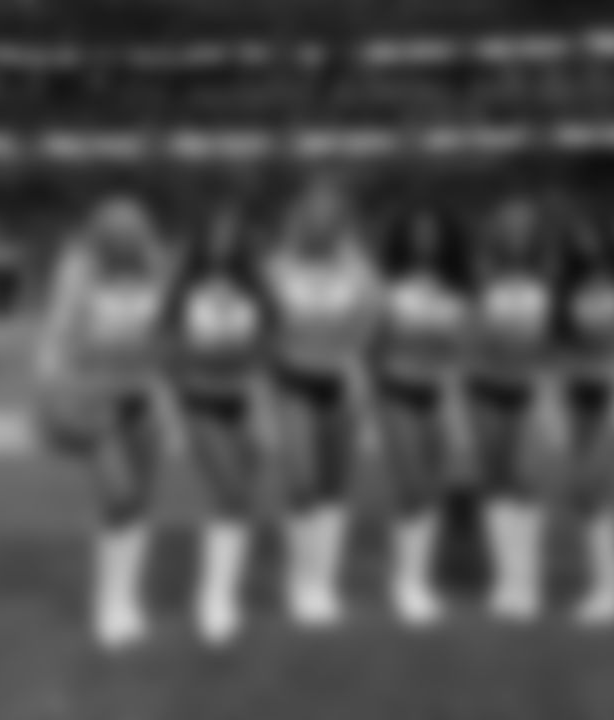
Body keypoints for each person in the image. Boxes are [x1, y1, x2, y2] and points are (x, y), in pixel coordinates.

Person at [33, 197, 171, 651]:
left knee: (140, 502)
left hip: (143, 396)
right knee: (118, 495)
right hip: (93, 398)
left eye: (134, 231)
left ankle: (127, 596)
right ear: (99, 235)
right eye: (116, 232)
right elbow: (56, 334)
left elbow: (171, 331)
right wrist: (51, 390)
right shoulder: (77, 272)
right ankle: (110, 604)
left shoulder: (157, 268)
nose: (126, 239)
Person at [264, 178, 381, 627]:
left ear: (341, 222)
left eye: (330, 214)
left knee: (333, 487)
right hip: (293, 379)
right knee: (301, 481)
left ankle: (323, 583)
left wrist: (355, 360)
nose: (320, 222)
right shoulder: (276, 266)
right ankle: (300, 581)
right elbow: (263, 321)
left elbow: (372, 317)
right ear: (299, 218)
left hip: (343, 381)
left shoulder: (358, 269)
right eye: (312, 213)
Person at [157, 207, 274, 646]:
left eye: (232, 235)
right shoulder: (182, 285)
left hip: (245, 402)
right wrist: (174, 403)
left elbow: (268, 346)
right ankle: (214, 599)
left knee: (239, 501)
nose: (222, 242)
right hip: (199, 402)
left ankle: (224, 591)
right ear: (201, 239)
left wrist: (262, 404)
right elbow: (164, 346)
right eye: (214, 233)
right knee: (230, 493)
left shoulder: (256, 286)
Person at [374, 206, 474, 626]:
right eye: (416, 233)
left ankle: (415, 580)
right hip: (397, 391)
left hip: (440, 393)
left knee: (430, 489)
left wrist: (457, 405)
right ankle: (405, 584)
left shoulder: (459, 290)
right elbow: (370, 342)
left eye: (432, 233)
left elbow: (462, 350)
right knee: (412, 487)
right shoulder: (386, 287)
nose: (424, 241)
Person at [467, 197, 564, 622]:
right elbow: (466, 332)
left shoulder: (554, 276)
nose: (515, 233)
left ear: (535, 233)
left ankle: (527, 581)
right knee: (495, 481)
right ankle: (506, 580)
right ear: (495, 233)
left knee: (525, 480)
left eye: (523, 226)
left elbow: (562, 336)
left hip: (532, 387)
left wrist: (552, 390)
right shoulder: (478, 275)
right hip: (486, 386)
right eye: (507, 226)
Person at [553, 211, 614, 627]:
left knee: (590, 487)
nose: (583, 243)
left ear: (606, 236)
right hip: (577, 392)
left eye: (590, 234)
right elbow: (558, 341)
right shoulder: (567, 283)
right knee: (590, 496)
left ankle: (613, 588)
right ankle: (607, 588)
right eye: (575, 237)